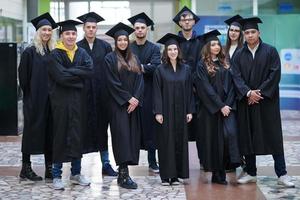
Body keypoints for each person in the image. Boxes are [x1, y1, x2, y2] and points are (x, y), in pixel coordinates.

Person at [231, 17, 294, 187]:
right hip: (247, 102)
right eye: (247, 33)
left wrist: (259, 93)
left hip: (267, 103)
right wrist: (248, 92)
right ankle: (251, 172)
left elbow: (274, 74)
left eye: (253, 32)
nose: (250, 35)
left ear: (259, 33)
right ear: (244, 35)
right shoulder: (238, 55)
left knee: (273, 137)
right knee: (248, 136)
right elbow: (235, 77)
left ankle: (282, 174)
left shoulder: (270, 51)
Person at [47, 19, 93, 190]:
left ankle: (76, 173)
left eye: (73, 33)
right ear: (61, 35)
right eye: (67, 33)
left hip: (78, 102)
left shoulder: (81, 53)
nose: (71, 36)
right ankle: (57, 175)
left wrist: (70, 73)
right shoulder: (54, 55)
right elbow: (60, 77)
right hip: (61, 102)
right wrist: (79, 79)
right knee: (60, 136)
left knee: (77, 136)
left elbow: (90, 70)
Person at [193, 30, 240, 185]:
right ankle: (216, 174)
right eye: (212, 44)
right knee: (213, 142)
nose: (216, 47)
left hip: (226, 108)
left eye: (218, 44)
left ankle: (225, 169)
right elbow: (205, 89)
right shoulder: (201, 65)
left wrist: (227, 105)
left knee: (228, 138)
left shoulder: (225, 63)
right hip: (210, 111)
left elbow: (233, 85)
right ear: (207, 47)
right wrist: (220, 106)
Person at [77, 12, 117, 176]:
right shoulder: (77, 46)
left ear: (96, 29)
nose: (91, 30)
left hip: (101, 95)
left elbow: (110, 71)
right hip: (82, 95)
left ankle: (106, 164)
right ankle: (76, 167)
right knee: (80, 130)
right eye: (88, 27)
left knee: (102, 130)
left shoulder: (105, 46)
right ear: (84, 28)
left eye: (94, 27)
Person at [104, 22, 144, 189]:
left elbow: (140, 80)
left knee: (131, 138)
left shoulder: (134, 58)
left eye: (125, 39)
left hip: (132, 106)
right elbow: (112, 83)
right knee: (121, 138)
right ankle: (123, 174)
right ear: (115, 42)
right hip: (118, 105)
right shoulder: (110, 59)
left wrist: (136, 98)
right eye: (119, 40)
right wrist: (128, 98)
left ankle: (124, 173)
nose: (122, 42)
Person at [18, 12, 57, 182]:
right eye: (44, 30)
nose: (47, 32)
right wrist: (31, 97)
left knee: (50, 133)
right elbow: (23, 78)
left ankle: (49, 168)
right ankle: (25, 168)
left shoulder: (54, 51)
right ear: (38, 31)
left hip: (52, 101)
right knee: (30, 133)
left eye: (49, 30)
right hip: (34, 100)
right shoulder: (30, 52)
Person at [153, 33, 195, 186]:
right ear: (166, 52)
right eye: (169, 49)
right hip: (166, 112)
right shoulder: (160, 70)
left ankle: (176, 175)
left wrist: (190, 110)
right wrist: (158, 111)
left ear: (178, 51)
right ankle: (165, 176)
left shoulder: (186, 69)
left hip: (182, 111)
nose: (172, 51)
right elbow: (156, 91)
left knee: (179, 141)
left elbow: (190, 90)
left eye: (175, 49)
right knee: (166, 142)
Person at [128, 12, 161, 173]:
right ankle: (129, 159)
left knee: (150, 127)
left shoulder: (154, 48)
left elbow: (155, 67)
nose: (140, 30)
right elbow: (125, 68)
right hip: (132, 92)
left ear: (147, 29)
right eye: (137, 28)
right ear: (134, 30)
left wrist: (138, 67)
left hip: (149, 92)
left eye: (142, 28)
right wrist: (144, 66)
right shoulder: (128, 47)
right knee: (132, 126)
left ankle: (152, 161)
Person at [173, 6, 204, 168]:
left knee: (201, 128)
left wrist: (195, 85)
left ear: (194, 22)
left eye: (189, 19)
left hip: (198, 91)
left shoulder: (201, 41)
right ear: (179, 22)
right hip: (178, 91)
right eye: (183, 19)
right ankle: (179, 162)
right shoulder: (174, 42)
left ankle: (204, 161)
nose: (186, 21)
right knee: (180, 128)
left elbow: (203, 64)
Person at [223, 14, 245, 172]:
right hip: (226, 95)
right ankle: (231, 160)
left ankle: (240, 160)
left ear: (241, 33)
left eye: (237, 30)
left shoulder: (243, 50)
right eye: (231, 30)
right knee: (228, 131)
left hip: (240, 96)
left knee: (240, 130)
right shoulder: (223, 50)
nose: (233, 33)